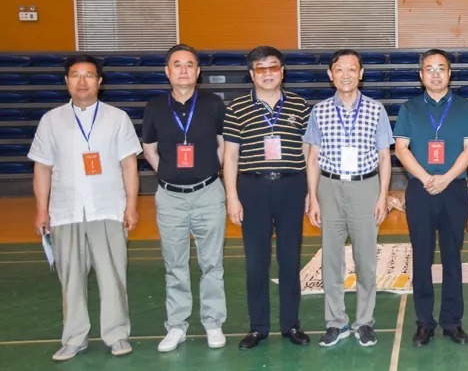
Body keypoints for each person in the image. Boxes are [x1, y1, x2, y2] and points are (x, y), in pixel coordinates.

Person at [29, 54, 141, 361]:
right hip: (65, 211)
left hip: (108, 209)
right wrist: (41, 210)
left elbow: (129, 166)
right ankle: (74, 338)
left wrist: (131, 206)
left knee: (113, 277)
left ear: (99, 82)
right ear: (66, 81)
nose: (82, 81)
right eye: (76, 75)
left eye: (89, 75)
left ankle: (116, 334)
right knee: (71, 280)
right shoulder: (51, 120)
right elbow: (42, 168)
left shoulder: (118, 118)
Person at [222, 46, 312, 350]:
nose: (268, 73)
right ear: (252, 74)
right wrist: (232, 197)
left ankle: (291, 324)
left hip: (291, 187)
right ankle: (258, 326)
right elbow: (230, 156)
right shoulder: (236, 108)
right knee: (256, 262)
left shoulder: (300, 106)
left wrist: (310, 193)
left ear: (282, 71)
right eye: (261, 68)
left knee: (290, 259)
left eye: (273, 67)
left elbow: (308, 153)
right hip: (253, 189)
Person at [141, 44, 229, 351]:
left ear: (198, 71)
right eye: (177, 64)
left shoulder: (213, 104)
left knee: (212, 263)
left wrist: (210, 170)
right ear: (167, 72)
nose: (183, 70)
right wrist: (167, 173)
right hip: (170, 198)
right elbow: (149, 148)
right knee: (174, 265)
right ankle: (176, 325)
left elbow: (223, 144)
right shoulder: (155, 107)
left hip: (208, 193)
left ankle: (213, 322)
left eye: (189, 64)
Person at [305, 49, 394, 348]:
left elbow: (385, 157)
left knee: (365, 260)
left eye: (352, 69)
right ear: (330, 75)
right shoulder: (319, 111)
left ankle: (364, 322)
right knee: (331, 260)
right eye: (340, 69)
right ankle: (336, 323)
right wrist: (313, 197)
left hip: (365, 186)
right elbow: (313, 157)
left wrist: (382, 195)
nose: (346, 75)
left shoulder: (376, 110)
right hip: (329, 187)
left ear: (361, 74)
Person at [393, 49, 468, 347]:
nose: (435, 74)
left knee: (453, 257)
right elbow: (401, 148)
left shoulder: (465, 107)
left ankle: (452, 322)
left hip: (454, 188)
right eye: (429, 69)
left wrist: (445, 178)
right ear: (421, 75)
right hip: (420, 189)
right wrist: (425, 177)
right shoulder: (410, 108)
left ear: (449, 73)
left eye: (441, 68)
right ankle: (424, 322)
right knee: (422, 257)